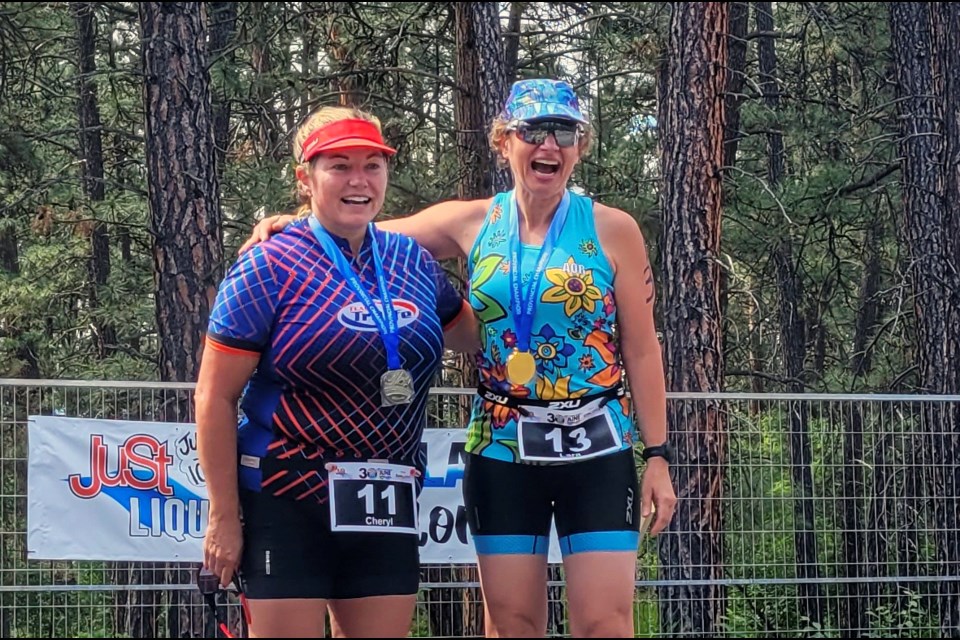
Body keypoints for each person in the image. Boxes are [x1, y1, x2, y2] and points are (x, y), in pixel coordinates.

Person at [240, 79, 677, 638]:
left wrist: (658, 454)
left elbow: (643, 348)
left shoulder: (613, 229)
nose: (548, 145)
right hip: (501, 446)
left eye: (563, 132)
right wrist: (290, 226)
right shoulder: (470, 221)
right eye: (532, 132)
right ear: (504, 143)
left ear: (579, 146)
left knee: (606, 623)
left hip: (597, 443)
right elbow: (358, 229)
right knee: (512, 623)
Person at [195, 105, 479, 638]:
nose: (359, 179)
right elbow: (214, 397)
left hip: (386, 498)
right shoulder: (268, 264)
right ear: (306, 178)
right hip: (285, 494)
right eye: (339, 166)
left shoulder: (412, 261)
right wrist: (223, 517)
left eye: (373, 165)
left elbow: (476, 333)